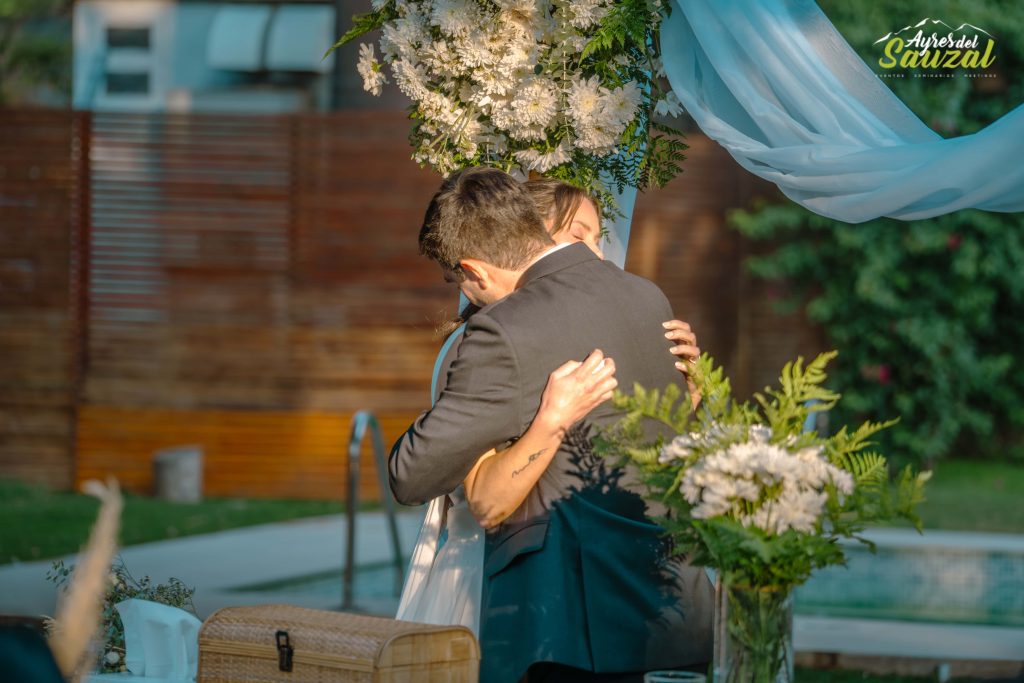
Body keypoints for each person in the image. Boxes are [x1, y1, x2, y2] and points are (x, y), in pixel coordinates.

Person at [390, 168, 714, 682]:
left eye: (459, 282)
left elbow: (412, 476)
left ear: (474, 270)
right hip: (672, 605)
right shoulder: (648, 296)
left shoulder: (503, 329)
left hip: (568, 628)